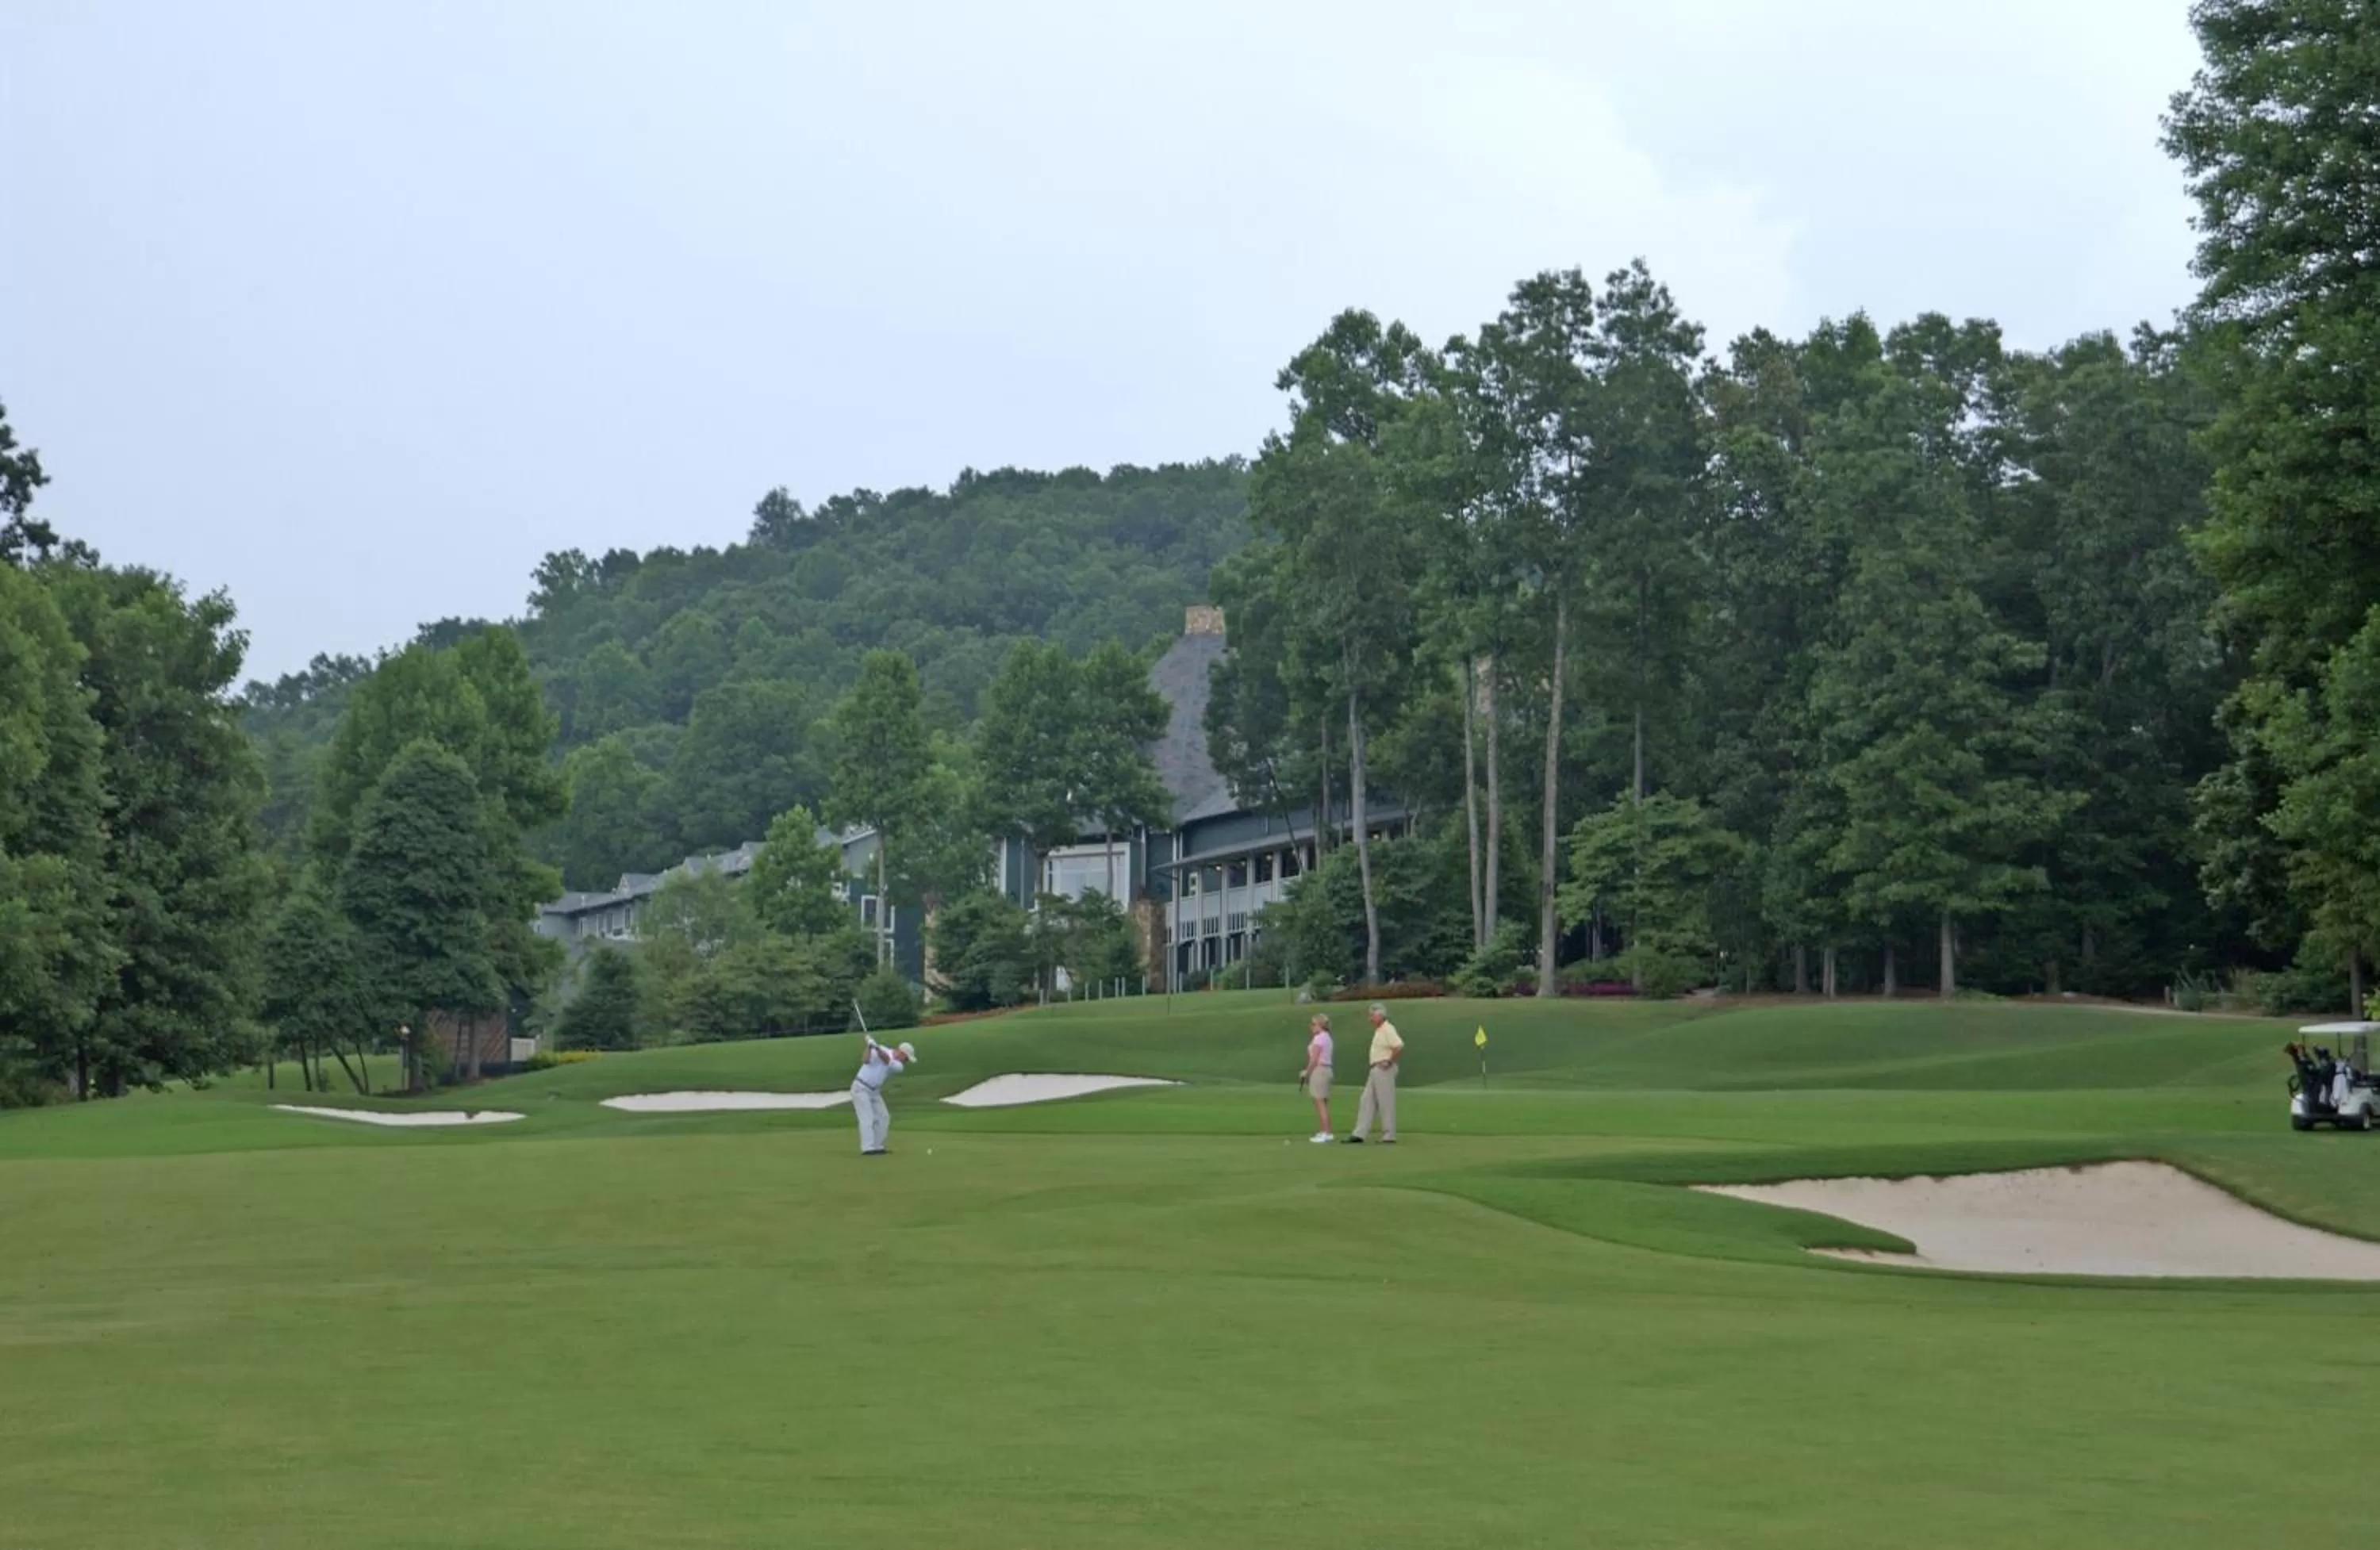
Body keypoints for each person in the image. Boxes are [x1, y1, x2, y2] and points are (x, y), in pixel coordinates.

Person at [1345, 1002, 1402, 1144]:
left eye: (1372, 1015)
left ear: (1380, 1015)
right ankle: (1359, 1133)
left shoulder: (1388, 1029)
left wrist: (1389, 1061)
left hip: (1384, 1069)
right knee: (1366, 1100)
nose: (1370, 1019)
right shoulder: (1380, 1030)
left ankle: (1389, 1135)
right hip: (1376, 1069)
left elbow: (1398, 1046)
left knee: (1385, 1101)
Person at [851, 1035, 916, 1156]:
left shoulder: (898, 1066)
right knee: (867, 1118)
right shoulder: (881, 1049)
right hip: (860, 1087)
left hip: (874, 1091)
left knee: (884, 1116)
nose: (905, 1062)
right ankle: (867, 1148)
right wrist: (869, 1047)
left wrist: (876, 1047)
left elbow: (886, 1060)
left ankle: (877, 1145)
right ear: (902, 1053)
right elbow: (865, 1060)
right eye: (906, 1058)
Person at [1299, 1013, 1335, 1142]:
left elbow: (1314, 1058)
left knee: (1319, 1102)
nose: (1311, 1027)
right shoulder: (1327, 1037)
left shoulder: (1319, 1038)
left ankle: (1325, 1132)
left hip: (1319, 1070)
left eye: (1313, 1024)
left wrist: (1306, 1072)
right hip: (1327, 1070)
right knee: (1323, 1103)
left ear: (1320, 1025)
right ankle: (1327, 1131)